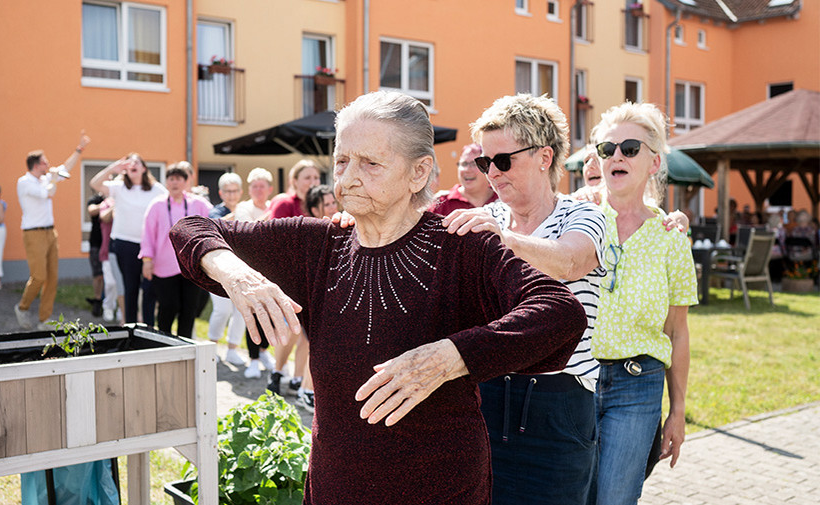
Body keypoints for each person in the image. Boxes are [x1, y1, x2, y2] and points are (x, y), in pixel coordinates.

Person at [171, 90, 587, 505]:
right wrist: (239, 274)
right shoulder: (319, 244)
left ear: (418, 173)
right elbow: (190, 228)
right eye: (341, 161)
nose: (348, 178)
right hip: (337, 488)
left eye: (370, 163)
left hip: (441, 489)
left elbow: (559, 313)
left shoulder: (461, 247)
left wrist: (451, 357)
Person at [442, 93, 605, 504]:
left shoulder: (583, 216)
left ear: (544, 157)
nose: (491, 173)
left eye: (503, 160)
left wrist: (503, 240)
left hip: (558, 406)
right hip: (487, 397)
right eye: (484, 162)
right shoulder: (487, 219)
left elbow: (569, 262)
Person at [588, 102, 698, 505]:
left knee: (614, 499)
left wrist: (678, 410)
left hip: (638, 387)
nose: (617, 155)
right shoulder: (576, 222)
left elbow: (677, 331)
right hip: (574, 383)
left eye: (630, 148)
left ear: (653, 163)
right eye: (607, 148)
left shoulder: (671, 237)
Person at [15, 132, 90, 330]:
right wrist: (54, 179)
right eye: (45, 163)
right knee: (39, 276)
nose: (48, 165)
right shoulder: (25, 182)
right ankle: (22, 308)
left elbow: (66, 168)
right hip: (33, 233)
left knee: (52, 278)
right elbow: (47, 194)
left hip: (50, 232)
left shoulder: (45, 179)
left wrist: (79, 149)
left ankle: (44, 319)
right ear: (35, 165)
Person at [90, 153, 167, 327]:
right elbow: (94, 184)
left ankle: (149, 328)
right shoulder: (119, 187)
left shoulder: (157, 190)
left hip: (149, 246)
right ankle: (131, 329)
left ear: (144, 168)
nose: (133, 164)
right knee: (130, 289)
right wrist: (113, 168)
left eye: (137, 162)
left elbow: (169, 206)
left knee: (149, 289)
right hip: (124, 245)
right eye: (129, 163)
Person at [266, 159, 322, 400]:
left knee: (309, 334)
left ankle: (298, 379)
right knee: (291, 329)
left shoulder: (317, 204)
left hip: (313, 277)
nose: (312, 182)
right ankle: (277, 372)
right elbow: (272, 237)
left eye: (316, 178)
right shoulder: (285, 203)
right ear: (295, 181)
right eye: (307, 177)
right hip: (287, 277)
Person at [140, 162, 210, 338]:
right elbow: (147, 234)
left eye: (178, 179)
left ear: (186, 182)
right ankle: (164, 342)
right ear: (166, 182)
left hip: (192, 266)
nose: (174, 183)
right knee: (168, 306)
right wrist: (147, 260)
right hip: (164, 265)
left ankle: (185, 344)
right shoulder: (157, 205)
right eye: (171, 179)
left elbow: (214, 223)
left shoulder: (198, 204)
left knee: (189, 308)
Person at [230, 168, 277, 379]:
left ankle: (264, 352)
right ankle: (253, 360)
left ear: (270, 189)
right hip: (249, 269)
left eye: (262, 186)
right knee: (254, 314)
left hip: (273, 269)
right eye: (254, 186)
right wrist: (273, 216)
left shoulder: (274, 206)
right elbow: (249, 231)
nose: (258, 190)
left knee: (272, 316)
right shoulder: (243, 208)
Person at [207, 172, 250, 365]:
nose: (232, 195)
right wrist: (238, 215)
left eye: (234, 191)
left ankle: (232, 349)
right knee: (221, 310)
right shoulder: (215, 212)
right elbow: (217, 227)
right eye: (227, 191)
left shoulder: (245, 210)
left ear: (240, 192)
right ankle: (212, 347)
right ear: (221, 193)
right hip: (218, 269)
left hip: (241, 267)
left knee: (241, 310)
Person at [428, 143, 497, 215]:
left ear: (487, 167)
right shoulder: (441, 204)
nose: (467, 170)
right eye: (464, 164)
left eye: (474, 164)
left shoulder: (503, 199)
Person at [98, 197, 124, 322]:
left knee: (123, 283)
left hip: (124, 251)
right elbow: (105, 217)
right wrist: (117, 205)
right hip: (107, 250)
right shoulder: (106, 203)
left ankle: (121, 309)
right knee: (110, 283)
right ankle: (108, 306)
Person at [85, 192, 105, 316]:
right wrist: (108, 205)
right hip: (96, 243)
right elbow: (92, 211)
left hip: (111, 243)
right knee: (98, 275)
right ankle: (98, 300)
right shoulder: (95, 199)